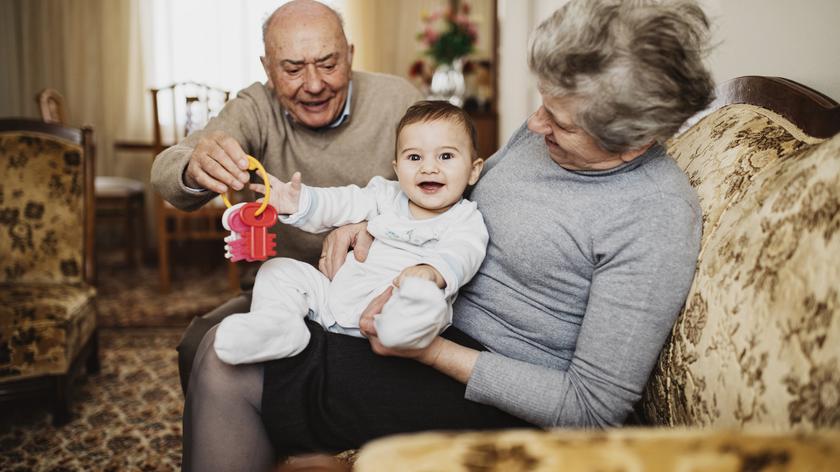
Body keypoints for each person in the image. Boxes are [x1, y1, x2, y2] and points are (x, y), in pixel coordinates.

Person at [182, 0, 716, 470]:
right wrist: (369, 222)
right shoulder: (544, 140)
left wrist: (431, 352)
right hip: (416, 313)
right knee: (222, 335)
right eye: (543, 102)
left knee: (229, 368)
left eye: (560, 121)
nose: (533, 125)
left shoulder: (654, 216)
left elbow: (590, 406)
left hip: (484, 384)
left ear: (635, 140)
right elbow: (455, 203)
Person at [149, 0, 423, 391]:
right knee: (200, 348)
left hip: (379, 288)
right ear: (267, 69)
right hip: (281, 293)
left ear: (350, 55)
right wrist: (195, 166)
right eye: (292, 69)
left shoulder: (398, 100)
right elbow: (167, 168)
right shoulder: (255, 107)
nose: (313, 85)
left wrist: (375, 225)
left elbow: (452, 183)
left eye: (329, 64)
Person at [214, 101, 487, 364]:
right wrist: (298, 202)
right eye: (414, 157)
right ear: (397, 168)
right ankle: (280, 327)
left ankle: (400, 332)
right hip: (335, 298)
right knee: (278, 270)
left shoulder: (466, 219)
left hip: (395, 306)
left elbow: (463, 253)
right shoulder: (386, 194)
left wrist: (431, 271)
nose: (429, 167)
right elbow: (342, 202)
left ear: (473, 170)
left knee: (425, 302)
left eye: (446, 156)